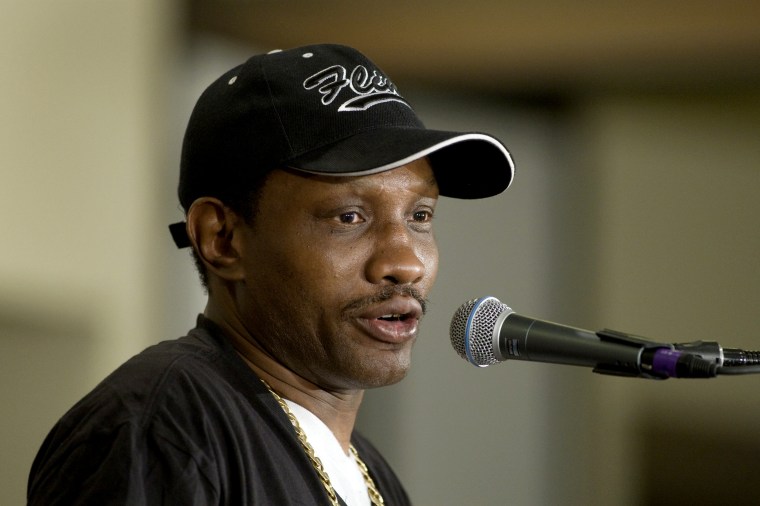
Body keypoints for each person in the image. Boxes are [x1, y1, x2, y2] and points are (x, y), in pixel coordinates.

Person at [27, 43, 514, 505]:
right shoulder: (163, 429)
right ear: (223, 239)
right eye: (349, 217)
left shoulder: (371, 473)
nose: (405, 263)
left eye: (420, 216)